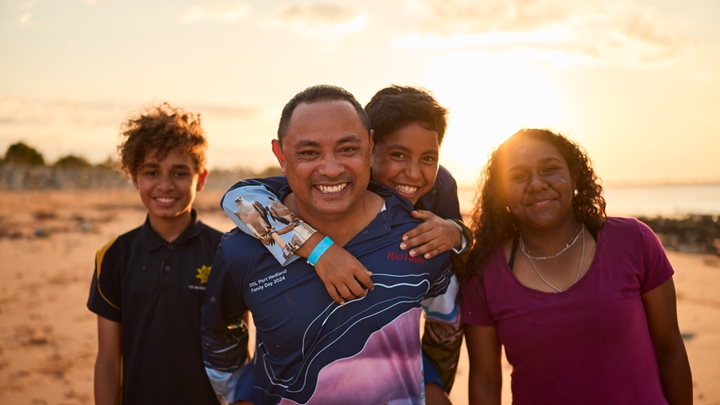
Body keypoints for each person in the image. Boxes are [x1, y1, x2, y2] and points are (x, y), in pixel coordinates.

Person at [200, 85, 458, 404]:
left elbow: (445, 324)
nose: (331, 168)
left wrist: (430, 385)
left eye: (347, 149)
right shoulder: (244, 248)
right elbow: (218, 331)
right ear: (281, 156)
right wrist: (240, 393)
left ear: (369, 145)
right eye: (309, 153)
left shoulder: (423, 238)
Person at [459, 128, 693, 404]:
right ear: (500, 192)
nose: (536, 184)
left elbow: (670, 350)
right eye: (519, 176)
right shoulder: (483, 273)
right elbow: (485, 382)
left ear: (574, 176)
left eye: (549, 169)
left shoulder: (634, 240)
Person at [87, 103, 221, 404]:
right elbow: (108, 360)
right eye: (152, 172)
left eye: (179, 173)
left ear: (200, 178)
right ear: (135, 177)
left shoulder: (228, 253)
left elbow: (242, 352)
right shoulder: (113, 257)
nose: (165, 185)